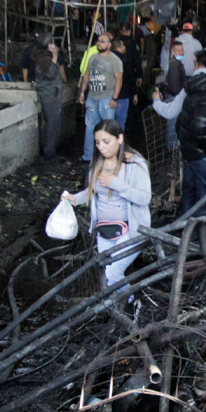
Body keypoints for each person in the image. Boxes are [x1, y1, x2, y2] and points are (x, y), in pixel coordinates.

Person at [62, 119, 151, 288]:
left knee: (113, 273)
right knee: (106, 275)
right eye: (97, 142)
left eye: (106, 142)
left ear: (120, 138)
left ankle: (130, 306)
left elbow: (144, 198)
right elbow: (92, 191)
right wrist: (74, 199)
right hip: (104, 229)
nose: (101, 147)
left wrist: (115, 183)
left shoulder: (136, 164)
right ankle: (115, 309)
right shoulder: (97, 163)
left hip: (130, 230)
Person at [153, 50, 206, 214]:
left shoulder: (195, 85)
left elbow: (170, 112)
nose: (192, 67)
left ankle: (193, 228)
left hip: (198, 148)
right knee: (204, 189)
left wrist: (156, 100)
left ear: (200, 65)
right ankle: (202, 229)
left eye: (194, 64)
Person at [79, 33, 123, 161]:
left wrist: (114, 98)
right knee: (89, 126)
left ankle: (108, 156)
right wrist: (82, 92)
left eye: (103, 41)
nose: (99, 43)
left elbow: (119, 80)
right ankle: (88, 156)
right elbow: (86, 75)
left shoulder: (115, 60)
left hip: (106, 99)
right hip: (92, 97)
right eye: (98, 41)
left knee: (108, 129)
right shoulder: (92, 57)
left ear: (109, 45)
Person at [33, 33, 67, 160]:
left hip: (51, 92)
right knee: (53, 122)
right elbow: (50, 74)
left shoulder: (40, 54)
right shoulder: (44, 58)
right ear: (48, 45)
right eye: (52, 42)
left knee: (51, 122)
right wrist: (55, 56)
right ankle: (49, 152)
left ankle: (45, 147)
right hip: (49, 94)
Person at [110, 37, 142, 131]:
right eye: (123, 46)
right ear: (118, 48)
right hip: (123, 94)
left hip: (110, 95)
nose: (124, 47)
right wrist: (134, 93)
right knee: (120, 120)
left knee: (109, 120)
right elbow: (130, 79)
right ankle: (119, 142)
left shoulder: (108, 60)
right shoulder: (125, 61)